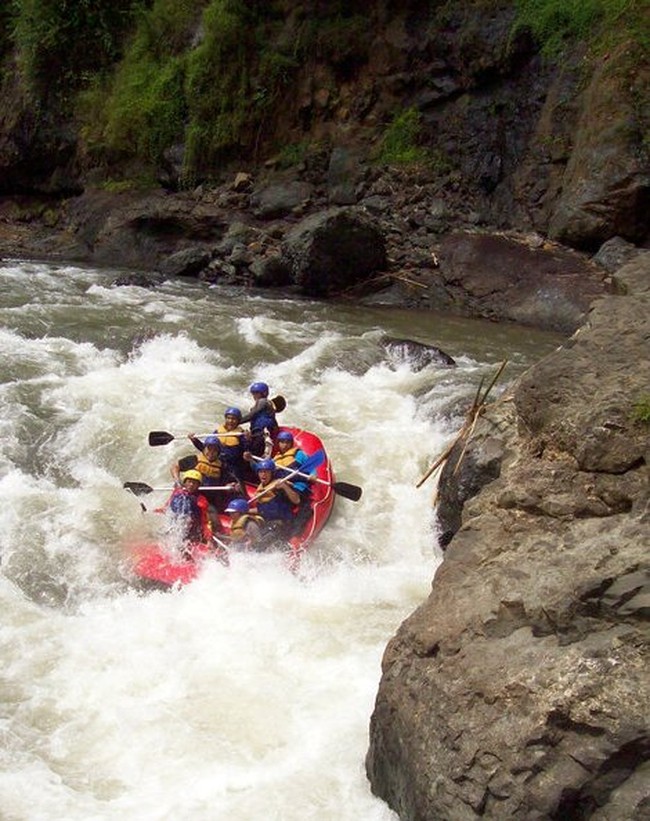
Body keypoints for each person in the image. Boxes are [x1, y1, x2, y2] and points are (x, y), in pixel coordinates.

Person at [170, 433, 235, 523]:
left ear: (218, 452)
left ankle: (214, 531)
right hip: (193, 494)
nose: (211, 453)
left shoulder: (222, 466)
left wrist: (230, 486)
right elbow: (175, 466)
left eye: (214, 450)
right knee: (182, 505)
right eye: (209, 449)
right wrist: (177, 481)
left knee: (213, 515)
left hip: (211, 499)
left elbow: (229, 482)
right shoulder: (194, 460)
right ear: (204, 449)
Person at [272, 430, 314, 535]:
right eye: (282, 442)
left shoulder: (299, 454)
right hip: (283, 489)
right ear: (278, 443)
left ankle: (296, 533)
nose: (285, 445)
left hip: (299, 487)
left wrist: (313, 475)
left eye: (287, 442)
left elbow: (311, 466)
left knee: (305, 509)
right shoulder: (275, 460)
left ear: (291, 443)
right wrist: (251, 460)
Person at [252, 458, 300, 542]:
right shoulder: (261, 489)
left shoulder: (279, 487)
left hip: (282, 523)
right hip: (268, 522)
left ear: (272, 473)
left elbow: (297, 500)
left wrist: (285, 487)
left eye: (266, 471)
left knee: (267, 536)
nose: (263, 474)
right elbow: (263, 509)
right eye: (261, 472)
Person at [166, 469, 212, 546]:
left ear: (198, 485)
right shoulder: (177, 492)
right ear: (184, 483)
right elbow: (168, 506)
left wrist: (208, 537)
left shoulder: (201, 500)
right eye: (189, 482)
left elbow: (206, 520)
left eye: (194, 483)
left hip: (192, 529)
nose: (191, 484)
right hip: (176, 524)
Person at [240, 381, 279, 458]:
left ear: (264, 393)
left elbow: (252, 415)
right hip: (258, 434)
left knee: (254, 454)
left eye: (256, 393)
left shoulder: (263, 401)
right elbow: (274, 422)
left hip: (261, 435)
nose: (254, 396)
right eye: (253, 393)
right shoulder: (269, 404)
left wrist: (238, 421)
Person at [214, 407, 248, 487]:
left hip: (234, 467)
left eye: (233, 419)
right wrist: (194, 440)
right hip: (219, 463)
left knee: (238, 484)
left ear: (238, 421)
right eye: (228, 418)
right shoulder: (217, 432)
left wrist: (248, 439)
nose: (230, 421)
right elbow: (206, 449)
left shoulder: (242, 435)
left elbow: (247, 449)